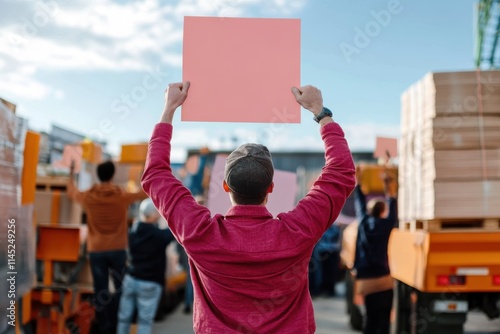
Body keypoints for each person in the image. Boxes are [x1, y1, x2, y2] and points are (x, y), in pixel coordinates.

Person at [141, 81, 356, 333]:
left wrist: (168, 110)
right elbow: (341, 172)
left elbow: (155, 175)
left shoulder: (199, 233)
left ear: (225, 187)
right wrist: (321, 113)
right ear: (271, 188)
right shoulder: (297, 231)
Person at [68, 160, 148, 334]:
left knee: (100, 290)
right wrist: (144, 170)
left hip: (96, 250)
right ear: (112, 175)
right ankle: (118, 323)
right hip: (118, 249)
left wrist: (71, 172)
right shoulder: (121, 196)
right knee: (120, 288)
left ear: (98, 175)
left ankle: (104, 326)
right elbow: (144, 193)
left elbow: (71, 191)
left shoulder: (88, 196)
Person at [117, 198, 176, 334]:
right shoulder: (159, 235)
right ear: (154, 214)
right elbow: (173, 230)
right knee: (145, 321)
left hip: (130, 280)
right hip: (150, 283)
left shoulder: (133, 231)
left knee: (123, 318)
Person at [353, 166, 397, 334]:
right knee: (384, 320)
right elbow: (392, 201)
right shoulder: (386, 224)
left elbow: (359, 201)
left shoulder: (363, 223)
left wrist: (358, 180)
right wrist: (387, 184)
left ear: (369, 211)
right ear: (382, 211)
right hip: (384, 279)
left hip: (367, 282)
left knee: (370, 320)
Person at [309, 224, 341, 297]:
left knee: (328, 272)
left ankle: (327, 289)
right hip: (322, 251)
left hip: (328, 251)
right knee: (321, 272)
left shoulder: (335, 226)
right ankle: (322, 289)